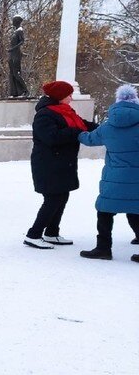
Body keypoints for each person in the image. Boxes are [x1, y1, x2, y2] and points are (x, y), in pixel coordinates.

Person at [23, 80, 97, 249]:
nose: (71, 98)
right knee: (53, 198)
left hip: (62, 163)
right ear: (60, 96)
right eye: (69, 95)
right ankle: (33, 235)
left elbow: (84, 124)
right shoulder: (44, 114)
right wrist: (76, 132)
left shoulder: (66, 111)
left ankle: (51, 232)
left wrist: (105, 129)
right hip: (48, 164)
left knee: (62, 196)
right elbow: (51, 137)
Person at [77, 84, 139, 262]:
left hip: (114, 179)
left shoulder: (108, 126)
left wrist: (77, 132)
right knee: (135, 210)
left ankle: (103, 248)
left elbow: (89, 139)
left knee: (105, 212)